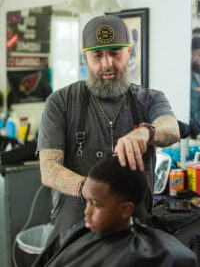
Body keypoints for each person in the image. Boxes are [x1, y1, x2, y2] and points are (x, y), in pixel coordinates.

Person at [37, 14, 180, 242]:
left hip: (136, 231)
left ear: (129, 53)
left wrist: (146, 132)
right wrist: (89, 189)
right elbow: (49, 169)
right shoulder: (60, 102)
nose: (107, 64)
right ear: (86, 58)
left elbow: (171, 128)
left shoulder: (150, 98)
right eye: (97, 55)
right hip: (74, 233)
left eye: (115, 53)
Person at [32, 156, 198, 267]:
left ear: (126, 209)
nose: (87, 212)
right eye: (87, 201)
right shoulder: (72, 237)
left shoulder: (165, 255)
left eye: (96, 204)